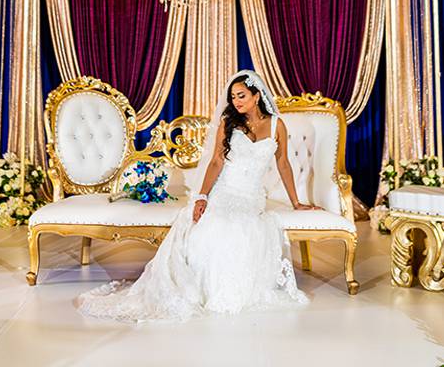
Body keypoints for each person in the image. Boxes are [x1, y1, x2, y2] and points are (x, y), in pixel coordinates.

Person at [76, 70, 319, 322]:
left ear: (256, 96)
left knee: (242, 226)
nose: (236, 101)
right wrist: (202, 196)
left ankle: (231, 291)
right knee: (214, 224)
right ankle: (201, 291)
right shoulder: (229, 122)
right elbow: (216, 162)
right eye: (233, 96)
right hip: (224, 190)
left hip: (250, 195)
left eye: (242, 96)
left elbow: (283, 163)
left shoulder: (276, 124)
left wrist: (297, 202)